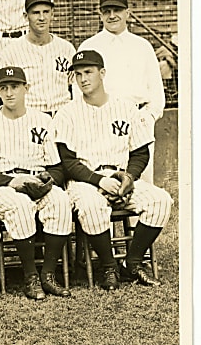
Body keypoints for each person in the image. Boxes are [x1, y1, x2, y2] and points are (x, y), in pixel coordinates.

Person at [53, 50, 173, 291]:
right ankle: (108, 267)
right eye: (78, 74)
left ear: (102, 73)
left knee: (161, 201)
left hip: (121, 176)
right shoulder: (67, 113)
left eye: (88, 72)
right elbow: (68, 162)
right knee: (92, 207)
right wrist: (98, 181)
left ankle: (133, 262)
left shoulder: (126, 108)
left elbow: (140, 152)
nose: (83, 79)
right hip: (85, 180)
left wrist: (129, 178)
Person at [0, 67, 73, 300]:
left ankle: (48, 275)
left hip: (36, 179)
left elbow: (57, 167)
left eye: (15, 86)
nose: (9, 93)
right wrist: (12, 181)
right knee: (19, 206)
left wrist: (47, 181)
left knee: (60, 201)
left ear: (26, 88)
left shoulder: (43, 120)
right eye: (3, 88)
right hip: (2, 183)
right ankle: (31, 276)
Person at [77, 0, 165, 122]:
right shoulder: (88, 47)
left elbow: (156, 92)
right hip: (101, 119)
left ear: (127, 13)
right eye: (107, 11)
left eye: (117, 10)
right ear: (100, 15)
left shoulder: (143, 46)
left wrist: (149, 117)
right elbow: (79, 92)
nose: (112, 16)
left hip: (138, 117)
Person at [0, 0, 76, 115]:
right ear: (25, 16)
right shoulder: (10, 52)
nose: (42, 18)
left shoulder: (66, 48)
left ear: (52, 14)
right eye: (35, 13)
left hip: (62, 114)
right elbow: (5, 94)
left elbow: (74, 87)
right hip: (30, 115)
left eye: (46, 12)